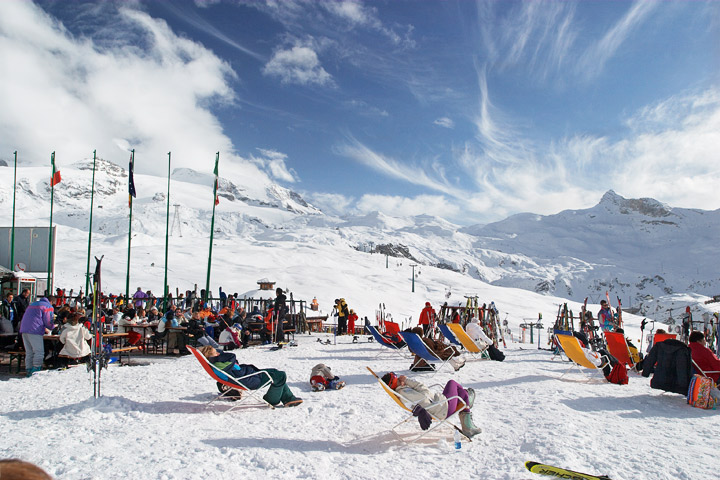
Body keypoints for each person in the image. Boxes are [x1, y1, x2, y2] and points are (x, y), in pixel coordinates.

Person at [381, 372, 481, 438]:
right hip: (444, 408)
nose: (400, 379)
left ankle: (467, 403)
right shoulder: (405, 393)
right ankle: (468, 420)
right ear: (396, 382)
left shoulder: (402, 392)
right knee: (453, 384)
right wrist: (407, 380)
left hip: (440, 404)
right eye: (398, 379)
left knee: (462, 392)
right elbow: (425, 391)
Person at [198, 345, 303, 407]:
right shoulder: (220, 364)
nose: (219, 354)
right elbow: (235, 364)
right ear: (213, 356)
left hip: (246, 376)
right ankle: (272, 399)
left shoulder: (215, 364)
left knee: (275, 373)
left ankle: (289, 398)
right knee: (280, 376)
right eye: (216, 353)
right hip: (248, 380)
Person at [18, 295, 55, 376]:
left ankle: (28, 370)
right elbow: (48, 321)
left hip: (24, 329)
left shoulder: (33, 304)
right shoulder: (47, 306)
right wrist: (52, 327)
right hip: (35, 330)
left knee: (29, 352)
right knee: (39, 352)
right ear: (51, 302)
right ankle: (36, 370)